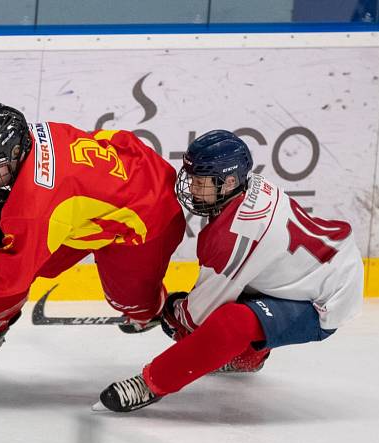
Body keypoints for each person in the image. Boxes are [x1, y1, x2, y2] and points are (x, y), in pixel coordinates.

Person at [0, 102, 186, 367]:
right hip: (104, 195)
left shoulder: (34, 206)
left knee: (132, 305)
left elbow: (10, 275)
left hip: (147, 217)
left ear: (14, 153)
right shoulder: (34, 136)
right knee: (21, 255)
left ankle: (167, 313)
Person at [95, 130, 364, 412]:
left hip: (328, 298)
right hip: (323, 263)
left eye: (200, 182)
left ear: (230, 181)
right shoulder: (251, 188)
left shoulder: (235, 234)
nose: (191, 188)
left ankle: (150, 384)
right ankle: (250, 357)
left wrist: (170, 313)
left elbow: (197, 317)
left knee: (230, 323)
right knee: (233, 297)